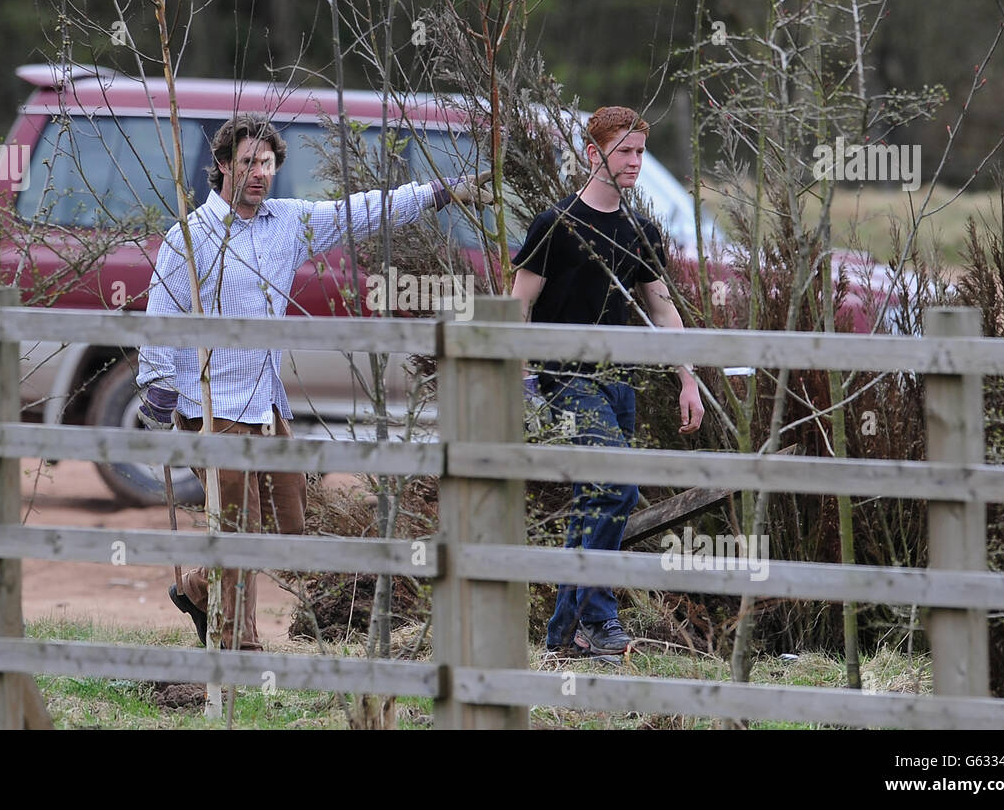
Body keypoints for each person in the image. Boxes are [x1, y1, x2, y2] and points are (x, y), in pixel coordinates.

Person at [137, 113, 488, 650]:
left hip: (265, 405)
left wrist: (442, 192)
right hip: (211, 406)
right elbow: (162, 313)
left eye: (268, 162)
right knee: (236, 528)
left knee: (288, 526)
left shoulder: (288, 223)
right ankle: (238, 650)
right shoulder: (190, 236)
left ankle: (197, 587)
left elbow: (364, 211)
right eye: (248, 162)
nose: (259, 172)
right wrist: (159, 391)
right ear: (224, 166)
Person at [510, 106, 704, 658]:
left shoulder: (641, 231)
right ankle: (597, 620)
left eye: (641, 151)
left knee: (597, 497)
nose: (635, 162)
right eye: (625, 151)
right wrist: (524, 378)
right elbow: (517, 305)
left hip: (620, 384)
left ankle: (562, 635)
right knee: (615, 485)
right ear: (594, 154)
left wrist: (687, 381)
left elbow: (665, 313)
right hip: (563, 379)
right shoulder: (556, 224)